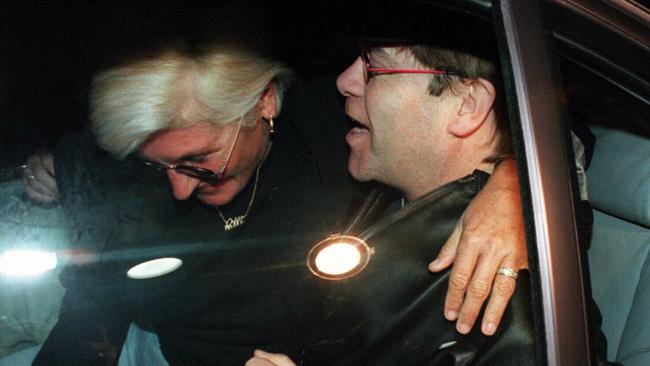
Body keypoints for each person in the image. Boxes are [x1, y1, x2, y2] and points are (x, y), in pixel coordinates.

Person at [26, 40, 527, 366]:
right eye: (160, 165)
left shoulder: (342, 130)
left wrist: (514, 183)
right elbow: (90, 310)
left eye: (200, 160)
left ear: (264, 103)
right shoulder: (116, 174)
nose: (179, 189)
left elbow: (540, 120)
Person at [248, 41, 534, 365]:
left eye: (374, 67)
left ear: (468, 105)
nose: (345, 81)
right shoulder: (386, 198)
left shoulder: (503, 291)